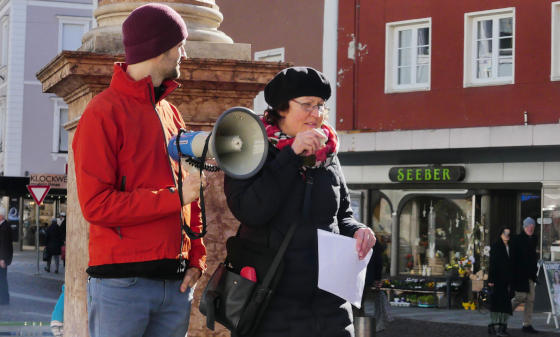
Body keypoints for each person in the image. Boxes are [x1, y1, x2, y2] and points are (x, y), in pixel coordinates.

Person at [71, 3, 206, 337]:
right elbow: (96, 205)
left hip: (175, 285)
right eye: (180, 46)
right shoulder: (102, 113)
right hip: (122, 285)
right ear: (160, 48)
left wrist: (197, 259)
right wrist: (174, 198)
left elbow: (191, 190)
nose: (184, 55)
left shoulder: (171, 113)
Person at [224, 66, 376, 337]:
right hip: (272, 303)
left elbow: (342, 215)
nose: (316, 114)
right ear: (281, 108)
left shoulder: (327, 154)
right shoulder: (250, 148)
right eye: (307, 105)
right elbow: (251, 211)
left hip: (330, 305)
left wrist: (359, 231)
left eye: (320, 106)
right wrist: (292, 154)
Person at [511, 217, 539, 333]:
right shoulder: (518, 239)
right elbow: (513, 258)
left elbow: (532, 255)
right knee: (519, 297)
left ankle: (527, 324)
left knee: (530, 299)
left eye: (532, 227)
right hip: (520, 274)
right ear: (524, 227)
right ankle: (501, 316)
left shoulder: (534, 239)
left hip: (531, 274)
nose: (530, 228)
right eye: (528, 226)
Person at [487, 227, 514, 336]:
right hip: (497, 279)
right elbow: (492, 263)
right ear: (501, 234)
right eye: (505, 233)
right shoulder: (496, 246)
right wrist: (491, 279)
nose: (507, 235)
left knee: (506, 305)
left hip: (508, 280)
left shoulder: (511, 246)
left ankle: (502, 327)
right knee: (497, 304)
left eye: (508, 233)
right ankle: (493, 326)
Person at [0, 205, 13, 305]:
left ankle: (4, 299)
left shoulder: (4, 227)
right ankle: (4, 298)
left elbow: (4, 245)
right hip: (2, 258)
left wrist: (3, 259)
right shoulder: (4, 226)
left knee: (2, 279)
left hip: (2, 259)